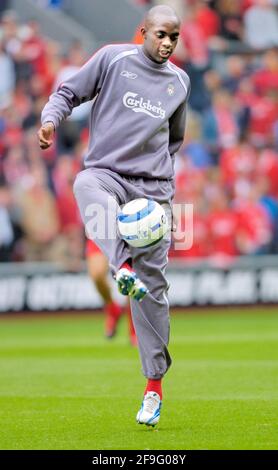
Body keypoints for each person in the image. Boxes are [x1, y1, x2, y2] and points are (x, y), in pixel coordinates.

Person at [38, 4, 190, 427]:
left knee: (154, 293)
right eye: (160, 34)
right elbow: (68, 92)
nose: (167, 43)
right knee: (86, 184)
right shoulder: (112, 59)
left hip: (153, 193)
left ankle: (153, 389)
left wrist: (159, 194)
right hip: (108, 174)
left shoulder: (180, 82)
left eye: (174, 38)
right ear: (143, 31)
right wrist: (51, 119)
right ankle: (121, 264)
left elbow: (173, 140)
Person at [86, 238, 137, 345]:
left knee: (130, 275)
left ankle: (135, 329)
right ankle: (113, 309)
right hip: (100, 228)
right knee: (97, 275)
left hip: (125, 227)